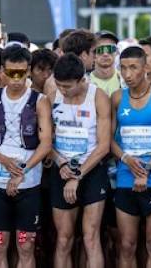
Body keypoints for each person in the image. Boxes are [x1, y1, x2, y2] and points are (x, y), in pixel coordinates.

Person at [0, 44, 53, 268]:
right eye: (11, 72)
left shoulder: (40, 101)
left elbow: (46, 143)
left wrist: (22, 171)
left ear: (28, 70)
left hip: (28, 185)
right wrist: (4, 161)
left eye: (21, 72)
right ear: (2, 71)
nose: (16, 79)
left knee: (26, 245)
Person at [110, 45, 151, 268]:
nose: (127, 74)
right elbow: (108, 139)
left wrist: (147, 168)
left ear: (145, 67)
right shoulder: (117, 98)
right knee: (126, 244)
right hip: (125, 176)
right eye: (123, 68)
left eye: (133, 67)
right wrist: (126, 159)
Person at [49, 54, 112, 268]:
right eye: (59, 84)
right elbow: (46, 141)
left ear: (82, 80)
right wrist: (60, 162)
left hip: (91, 169)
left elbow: (104, 145)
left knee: (90, 237)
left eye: (67, 86)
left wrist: (77, 176)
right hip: (62, 170)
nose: (62, 90)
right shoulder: (52, 96)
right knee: (64, 239)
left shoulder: (98, 97)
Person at [90, 31, 123, 96]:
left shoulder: (125, 80)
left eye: (110, 49)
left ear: (117, 52)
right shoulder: (85, 82)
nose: (105, 54)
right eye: (100, 49)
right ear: (93, 53)